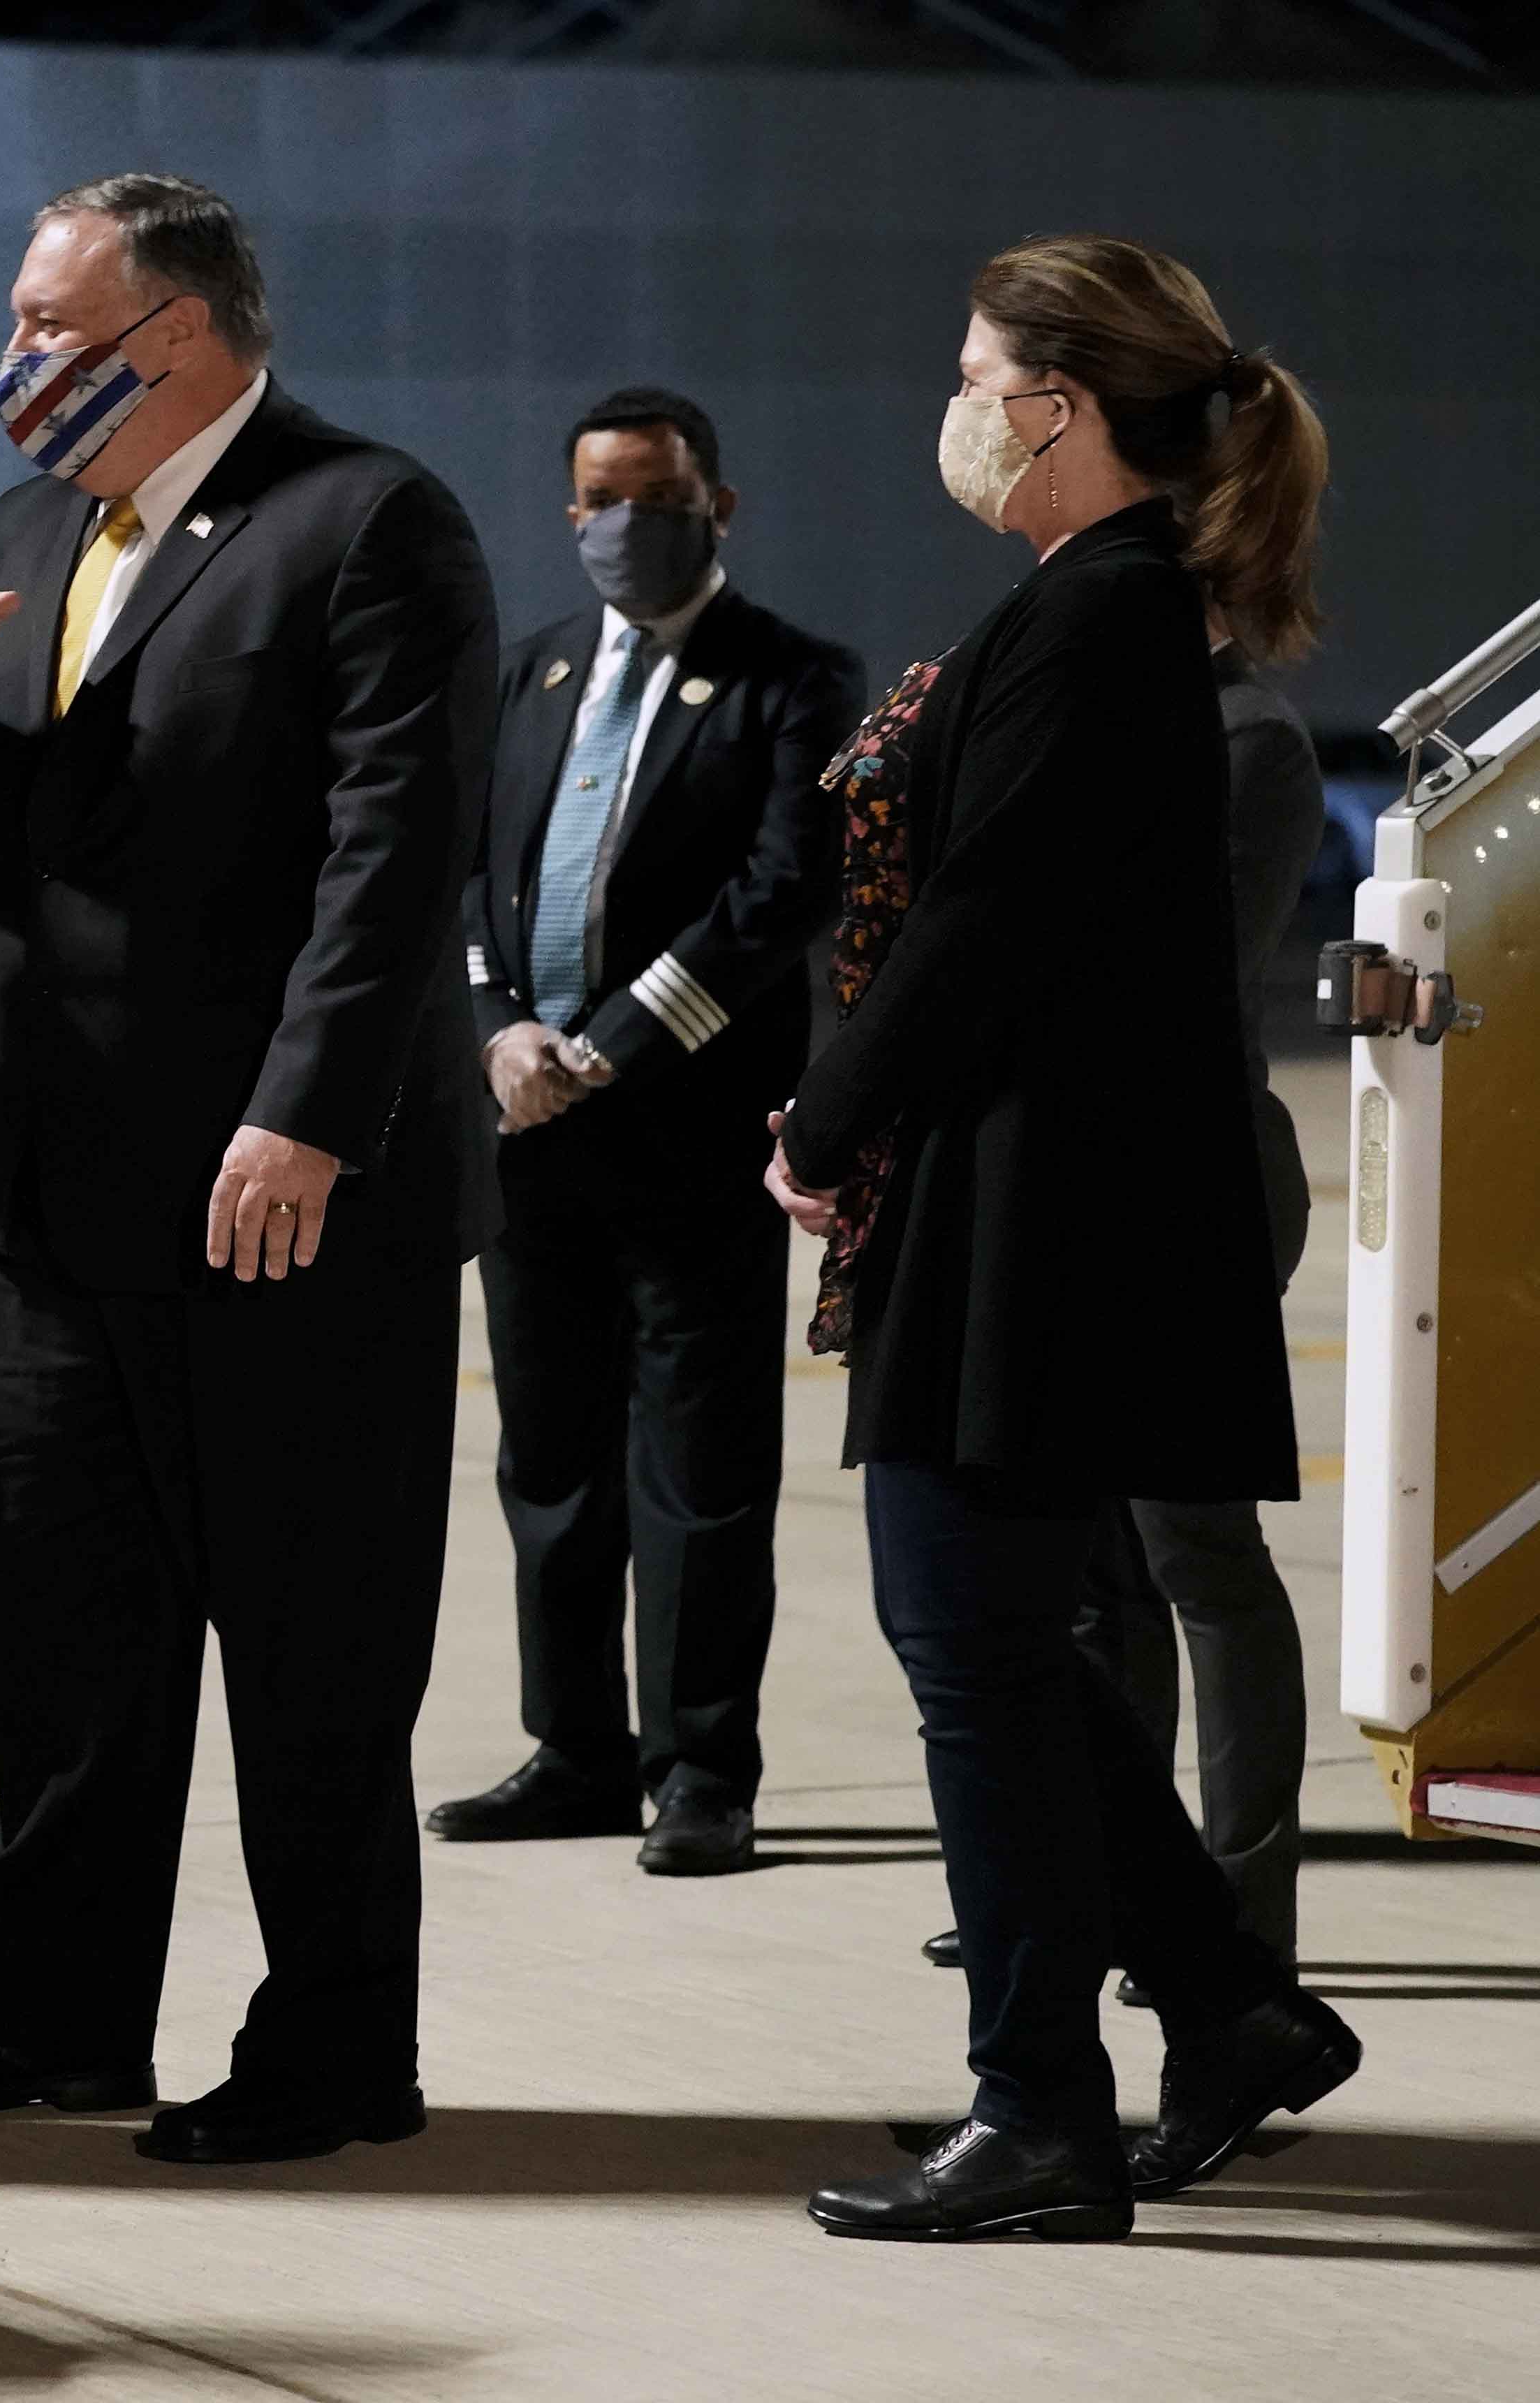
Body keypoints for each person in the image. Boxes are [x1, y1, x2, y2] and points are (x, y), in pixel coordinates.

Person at [0, 175, 499, 2166]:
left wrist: (306, 1114)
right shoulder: (41, 525)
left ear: (175, 332)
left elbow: (395, 849)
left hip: (282, 1196)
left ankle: (335, 2047)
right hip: (61, 1191)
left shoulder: (364, 518)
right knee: (66, 1641)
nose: (12, 356)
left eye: (47, 321)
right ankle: (50, 2017)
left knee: (310, 1646)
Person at [775, 234, 1361, 2242]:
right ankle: (1228, 2009)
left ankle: (1039, 2110)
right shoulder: (1101, 606)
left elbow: (988, 917)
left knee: (971, 1644)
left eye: (976, 371)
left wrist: (827, 1124)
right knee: (1003, 1636)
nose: (956, 407)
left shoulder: (1103, 615)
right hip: (1036, 1196)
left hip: (1046, 1211)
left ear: (1063, 405)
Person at [433, 389, 859, 1878]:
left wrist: (607, 1045)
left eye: (657, 496)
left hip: (681, 1129)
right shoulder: (534, 670)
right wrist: (498, 1028)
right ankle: (576, 1749)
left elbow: (779, 894)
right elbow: (472, 877)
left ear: (716, 504)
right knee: (548, 1453)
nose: (627, 523)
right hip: (524, 1126)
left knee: (701, 1461)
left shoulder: (794, 680)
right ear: (572, 510)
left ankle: (701, 1768)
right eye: (602, 498)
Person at [923, 601, 1326, 1991]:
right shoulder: (1099, 712)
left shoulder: (1247, 732)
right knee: (1090, 1579)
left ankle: (1238, 1913)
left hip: (1185, 1186)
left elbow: (1181, 969)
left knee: (1195, 1557)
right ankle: (1101, 1878)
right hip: (1072, 1184)